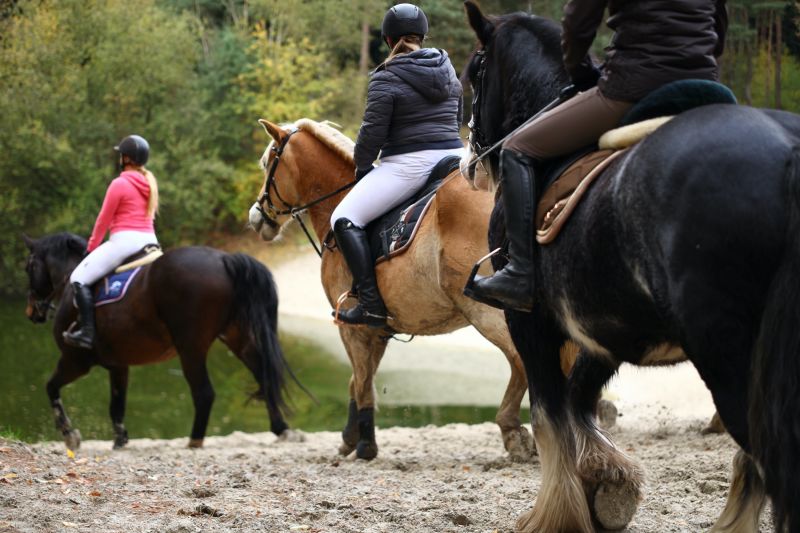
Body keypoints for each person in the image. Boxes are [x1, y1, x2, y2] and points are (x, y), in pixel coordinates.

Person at [466, 0, 727, 311]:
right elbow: (719, 26)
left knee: (517, 149)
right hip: (704, 82)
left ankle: (520, 275)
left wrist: (580, 73)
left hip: (634, 86)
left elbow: (578, 23)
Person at [330, 3, 463, 327]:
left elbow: (371, 134)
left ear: (388, 40)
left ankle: (371, 305)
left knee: (344, 218)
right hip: (456, 156)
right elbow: (457, 117)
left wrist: (363, 168)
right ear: (422, 36)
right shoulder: (447, 69)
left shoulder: (386, 76)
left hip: (409, 163)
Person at [63, 135, 159, 349]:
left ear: (126, 158)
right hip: (150, 241)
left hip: (125, 241)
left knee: (78, 278)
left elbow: (103, 220)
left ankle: (87, 333)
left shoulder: (120, 183)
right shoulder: (149, 183)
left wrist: (91, 248)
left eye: (121, 155)